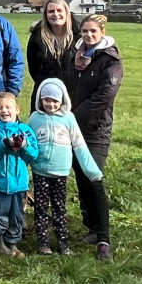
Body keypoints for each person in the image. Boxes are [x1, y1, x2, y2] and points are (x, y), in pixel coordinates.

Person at [27, 78, 110, 260]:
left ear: (62, 101)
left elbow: (79, 145)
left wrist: (92, 171)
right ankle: (43, 243)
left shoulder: (69, 119)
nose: (50, 104)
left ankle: (63, 243)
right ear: (40, 99)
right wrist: (23, 166)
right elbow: (28, 143)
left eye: (55, 100)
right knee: (40, 208)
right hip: (40, 172)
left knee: (59, 208)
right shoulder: (34, 118)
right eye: (46, 99)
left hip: (60, 173)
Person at [63, 14, 122, 249]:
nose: (88, 35)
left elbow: (104, 97)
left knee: (93, 178)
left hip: (96, 128)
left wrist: (72, 118)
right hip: (73, 128)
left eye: (93, 32)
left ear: (102, 33)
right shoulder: (75, 56)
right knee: (80, 178)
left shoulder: (110, 60)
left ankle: (103, 232)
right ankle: (91, 227)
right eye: (84, 31)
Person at [0, 92, 40, 256]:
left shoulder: (25, 130)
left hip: (18, 182)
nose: (4, 111)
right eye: (0, 108)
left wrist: (24, 146)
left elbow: (33, 155)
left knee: (16, 214)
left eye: (8, 107)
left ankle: (12, 242)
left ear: (17, 110)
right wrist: (3, 144)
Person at [26, 0, 78, 106]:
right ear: (45, 15)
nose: (55, 14)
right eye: (51, 11)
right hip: (45, 94)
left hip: (73, 94)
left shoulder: (79, 35)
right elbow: (33, 67)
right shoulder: (37, 37)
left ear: (66, 12)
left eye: (59, 10)